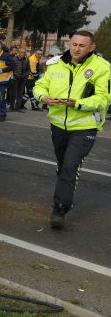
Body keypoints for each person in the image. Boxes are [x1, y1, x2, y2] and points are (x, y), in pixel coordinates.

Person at [33, 31, 110, 229]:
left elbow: (104, 98)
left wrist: (77, 103)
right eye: (74, 44)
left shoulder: (103, 68)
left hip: (85, 127)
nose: (76, 49)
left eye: (81, 46)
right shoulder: (55, 64)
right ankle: (65, 193)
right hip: (58, 125)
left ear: (92, 47)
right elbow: (40, 85)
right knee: (62, 165)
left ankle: (60, 208)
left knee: (70, 165)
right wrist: (43, 97)